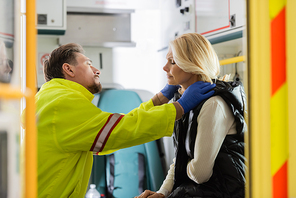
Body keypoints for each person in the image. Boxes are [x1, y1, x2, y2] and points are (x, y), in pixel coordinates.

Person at [32, 43, 216, 198]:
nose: (97, 70)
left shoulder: (51, 100)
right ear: (68, 69)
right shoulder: (62, 104)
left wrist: (158, 100)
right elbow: (121, 130)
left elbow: (115, 128)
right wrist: (179, 107)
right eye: (88, 64)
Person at [136, 33, 246, 198]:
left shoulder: (213, 104)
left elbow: (200, 173)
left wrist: (183, 164)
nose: (165, 68)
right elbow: (181, 157)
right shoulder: (185, 102)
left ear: (192, 65)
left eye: (172, 62)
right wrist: (162, 193)